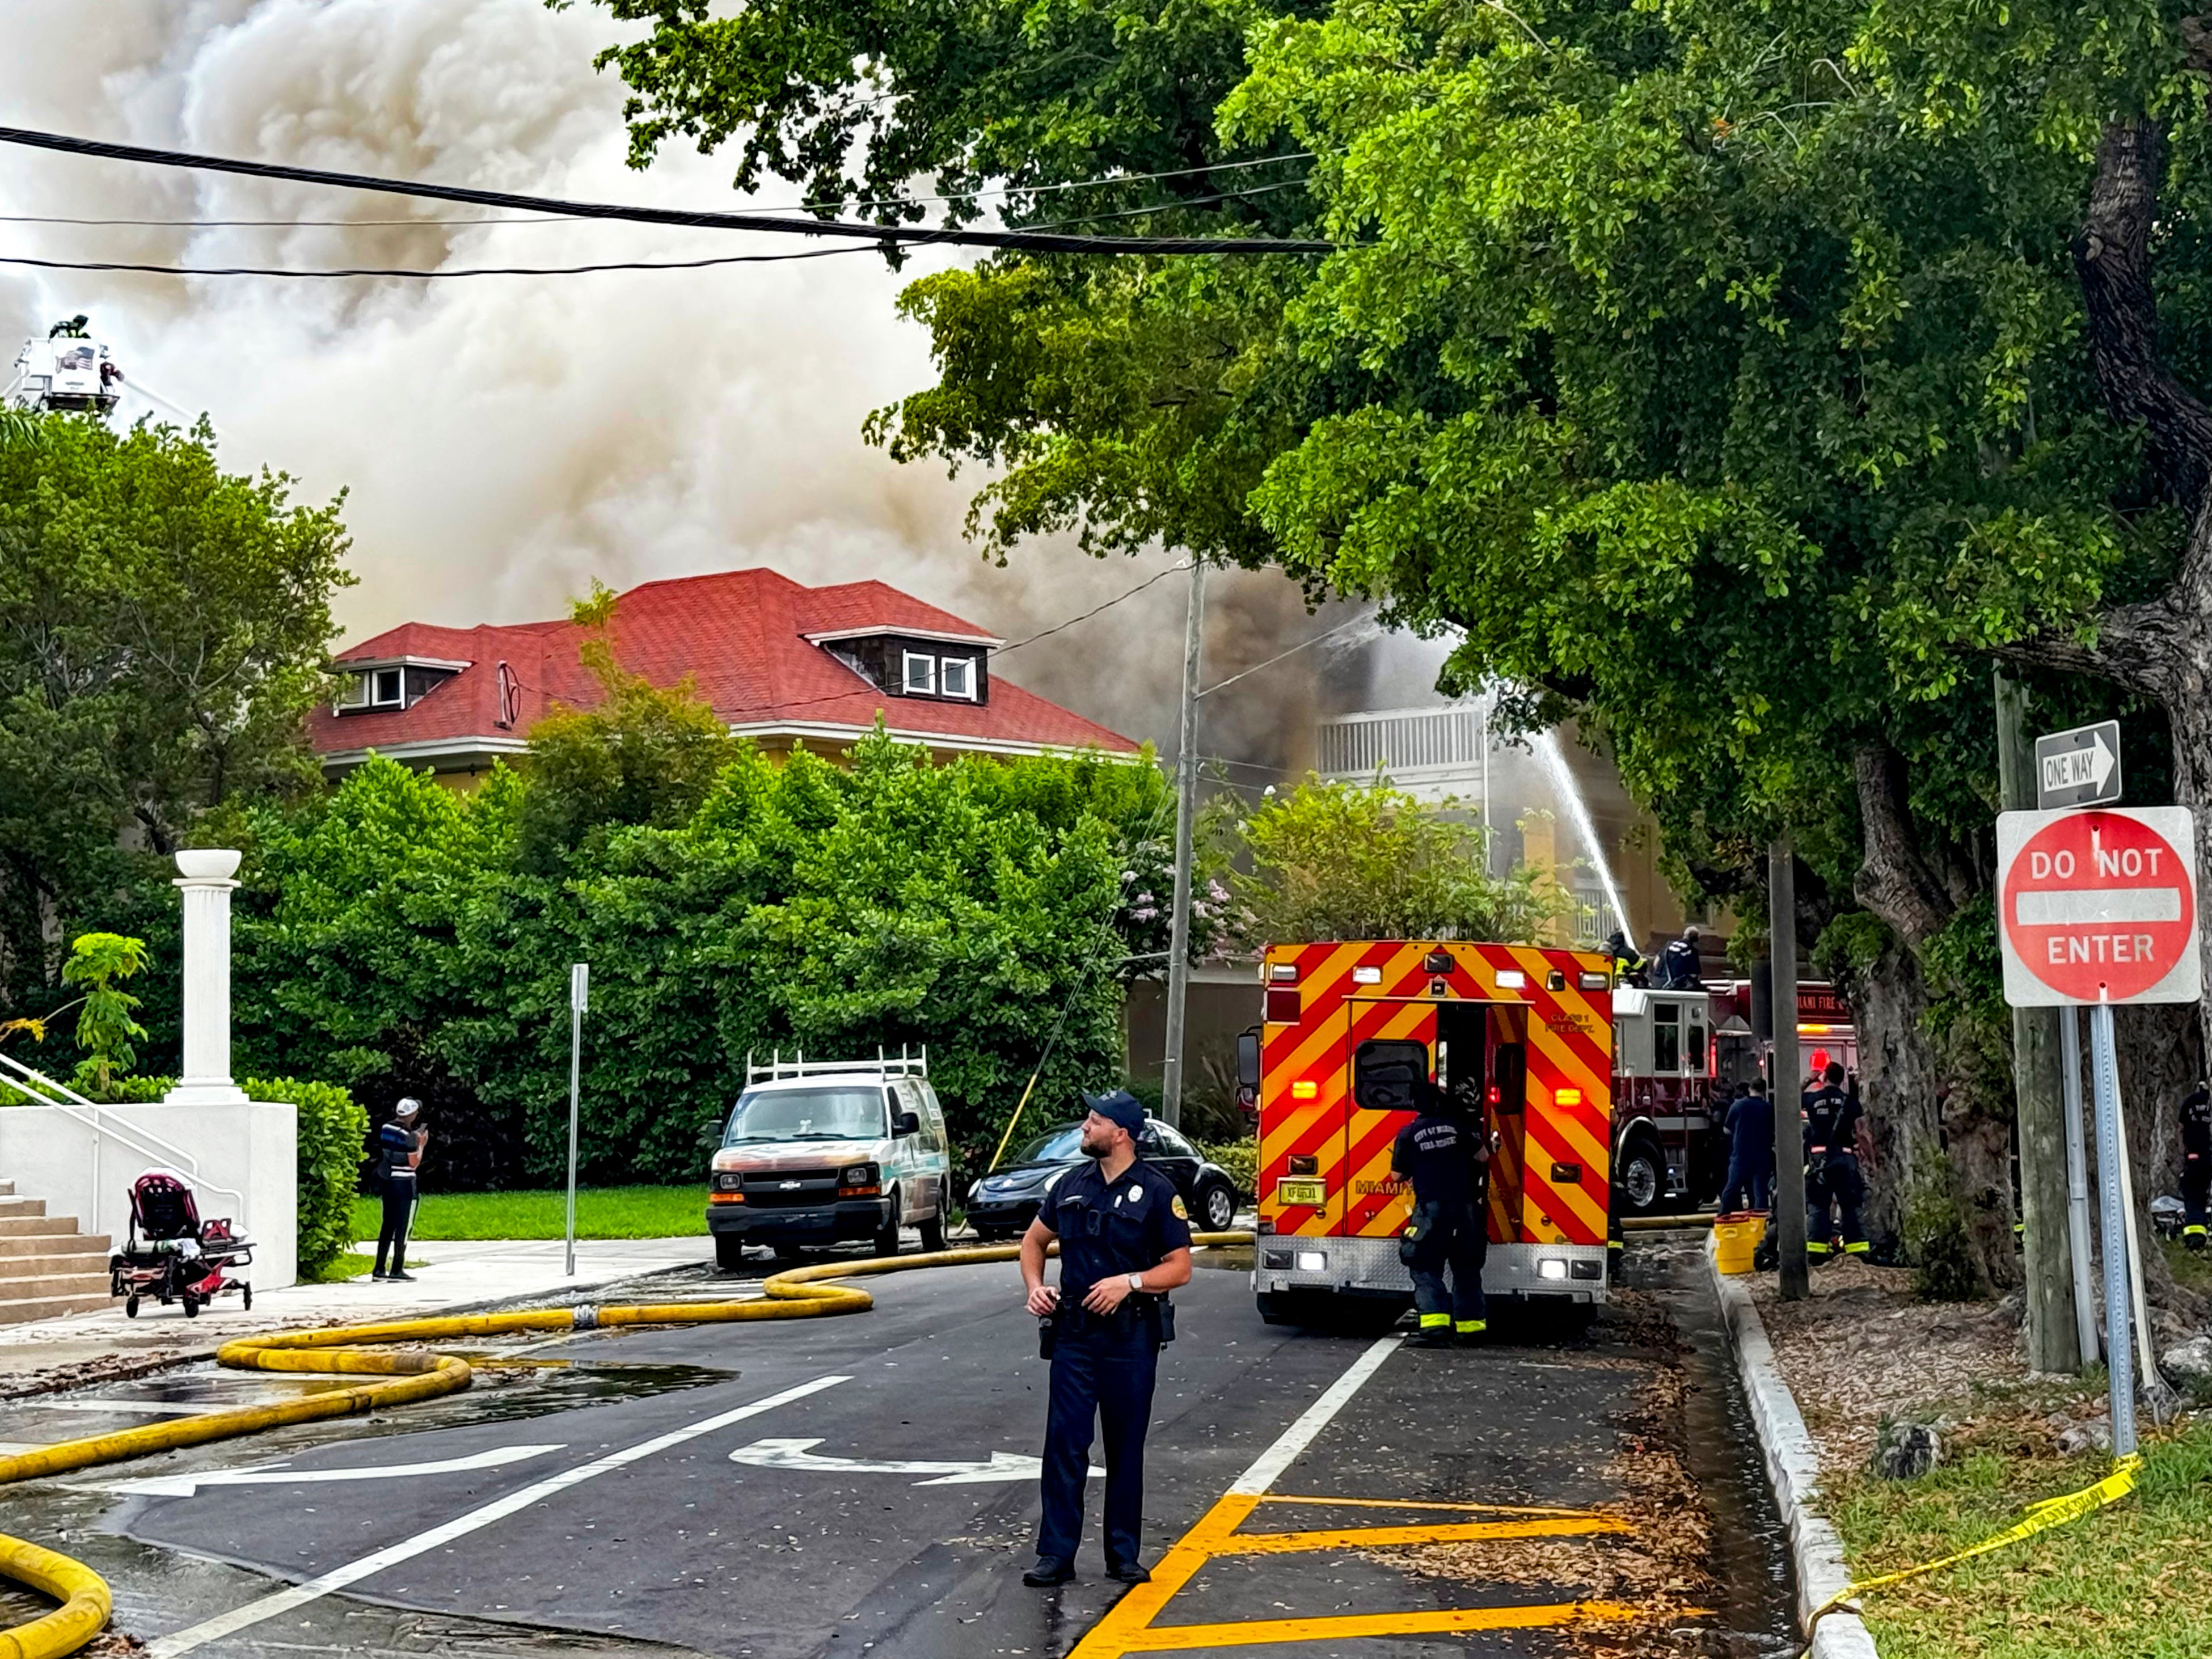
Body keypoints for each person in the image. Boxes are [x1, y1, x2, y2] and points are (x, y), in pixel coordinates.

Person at [1019, 1090, 1193, 1588]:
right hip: (1075, 1335)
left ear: (1120, 1133)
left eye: (1094, 1121)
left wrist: (1130, 1282)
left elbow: (1179, 1267)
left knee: (1124, 1447)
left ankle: (1123, 1555)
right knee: (1065, 1445)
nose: (1084, 1128)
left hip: (1130, 1337)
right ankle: (1056, 1554)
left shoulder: (1158, 1191)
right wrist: (1036, 1288)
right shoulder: (1071, 1184)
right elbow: (1033, 1241)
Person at [1390, 1078, 1492, 1348]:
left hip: (1431, 1213)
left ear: (1416, 1105)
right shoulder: (1462, 1127)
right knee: (1467, 1270)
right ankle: (1471, 1330)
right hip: (1466, 1211)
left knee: (1425, 1268)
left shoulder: (1409, 1133)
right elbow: (1483, 1157)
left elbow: (1397, 1175)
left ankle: (1435, 1329)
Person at [1802, 1063, 1865, 1260]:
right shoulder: (1850, 1102)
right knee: (1849, 1205)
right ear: (1842, 1080)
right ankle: (1856, 1250)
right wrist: (1869, 1160)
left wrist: (1809, 1081)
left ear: (1824, 1077)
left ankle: (1817, 1251)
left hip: (1820, 1160)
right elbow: (1862, 1133)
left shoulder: (1814, 1098)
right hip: (1845, 1159)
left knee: (1819, 1206)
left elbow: (1791, 1100)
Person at [373, 1098, 426, 1281]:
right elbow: (414, 1163)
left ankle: (379, 1269)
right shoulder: (410, 1136)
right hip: (404, 1183)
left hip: (389, 1182)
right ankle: (397, 1268)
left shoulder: (387, 1128)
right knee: (403, 1226)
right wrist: (421, 1145)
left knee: (387, 1224)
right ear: (412, 1115)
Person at [1719, 1078, 1774, 1213]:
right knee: (1760, 1193)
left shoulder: (1738, 1106)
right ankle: (1760, 1223)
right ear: (1764, 1091)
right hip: (1762, 1157)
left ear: (1750, 1089)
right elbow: (1773, 1131)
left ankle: (1722, 1217)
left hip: (1740, 1156)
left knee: (1731, 1189)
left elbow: (1726, 1129)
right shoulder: (1768, 1108)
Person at [2181, 1082, 2211, 1251]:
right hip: (2206, 1155)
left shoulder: (2191, 1102)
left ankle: (2195, 1237)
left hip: (2195, 1155)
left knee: (2193, 1195)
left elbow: (2182, 1125)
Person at [1651, 925, 1703, 990]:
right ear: (1696, 939)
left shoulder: (1668, 946)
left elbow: (1656, 963)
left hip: (1658, 984)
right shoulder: (1692, 952)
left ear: (1684, 934)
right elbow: (1695, 975)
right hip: (1676, 988)